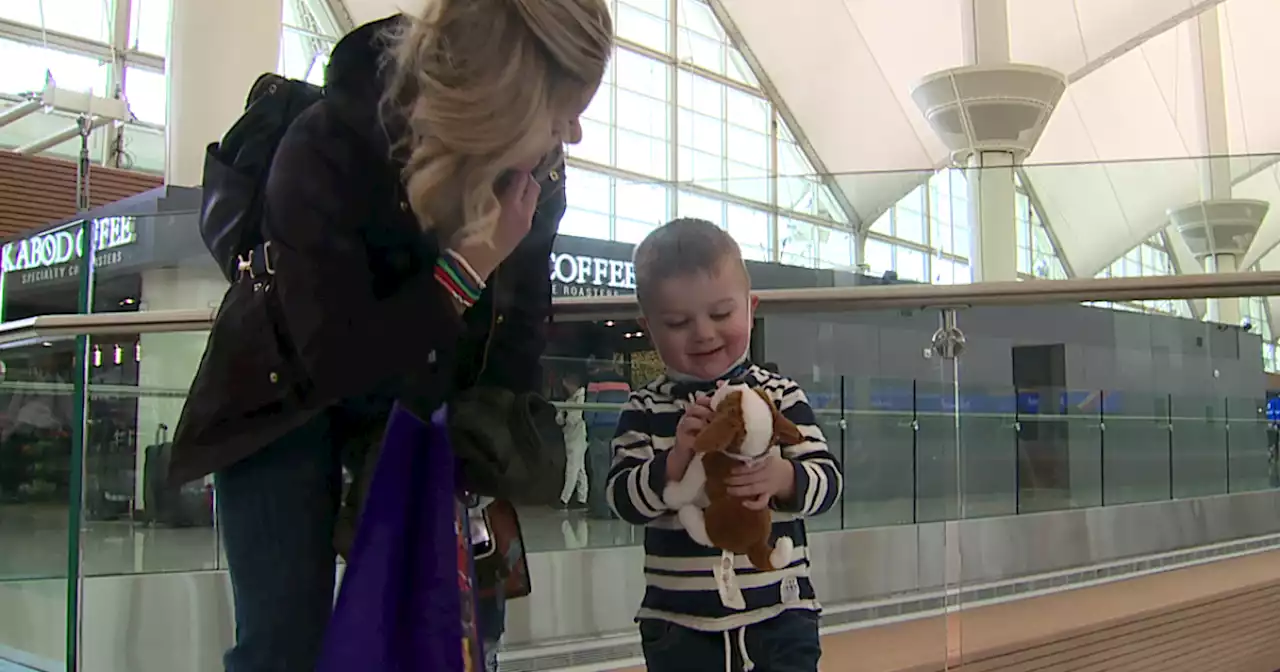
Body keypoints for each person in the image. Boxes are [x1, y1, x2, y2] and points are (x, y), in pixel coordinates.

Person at [167, 3, 613, 671]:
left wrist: (493, 442)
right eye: (562, 105)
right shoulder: (330, 143)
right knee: (286, 644)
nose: (573, 132)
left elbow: (520, 319)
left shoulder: (534, 173)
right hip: (283, 402)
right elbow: (337, 358)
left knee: (449, 629)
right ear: (503, 87)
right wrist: (467, 267)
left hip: (427, 402)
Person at [606, 219, 843, 672]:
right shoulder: (645, 407)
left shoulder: (781, 395)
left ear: (751, 309)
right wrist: (673, 463)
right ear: (649, 326)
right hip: (678, 627)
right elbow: (621, 499)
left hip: (781, 616)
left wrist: (786, 477)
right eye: (678, 322)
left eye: (721, 315)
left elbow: (828, 481)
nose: (703, 334)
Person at [556, 370, 589, 510]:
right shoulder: (570, 400)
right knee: (580, 469)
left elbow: (573, 419)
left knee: (572, 468)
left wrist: (565, 416)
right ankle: (582, 499)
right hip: (571, 437)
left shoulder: (580, 398)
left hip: (577, 437)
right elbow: (559, 420)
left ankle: (564, 499)